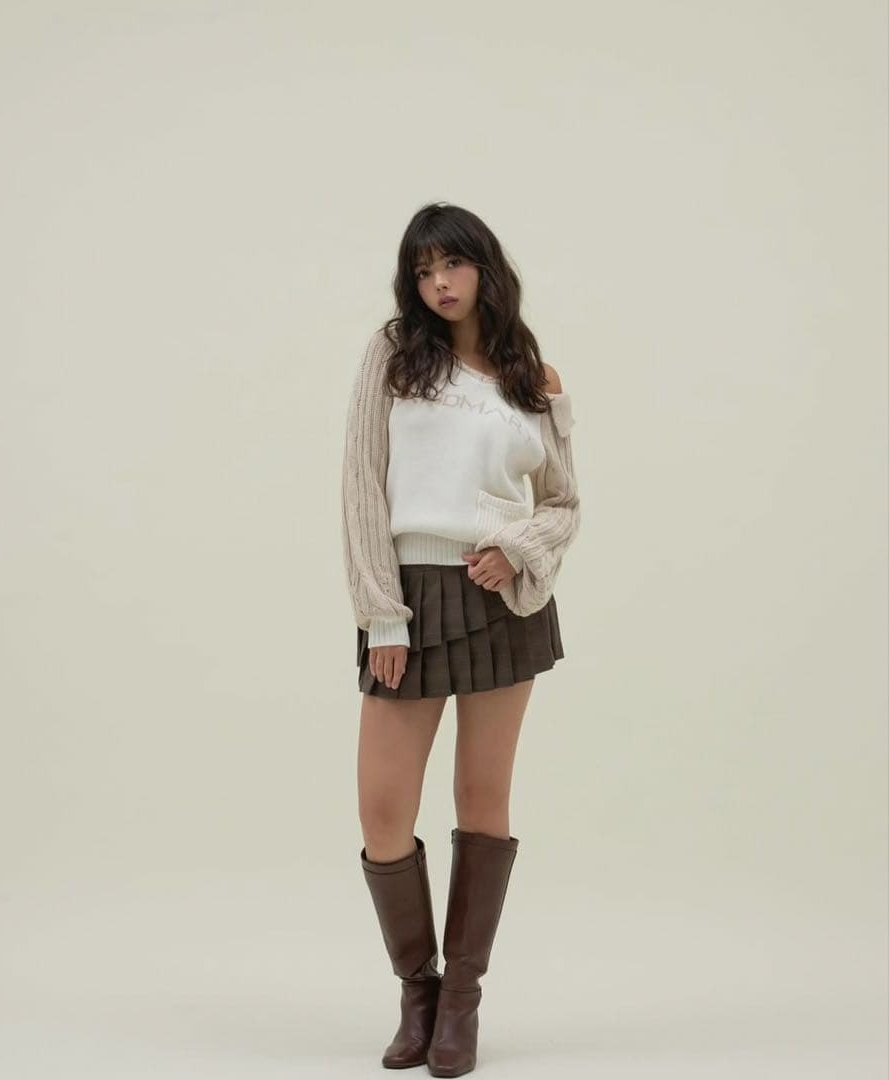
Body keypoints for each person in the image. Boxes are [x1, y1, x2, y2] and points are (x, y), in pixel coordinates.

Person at [340, 202, 581, 1076]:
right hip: (407, 599)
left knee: (482, 801)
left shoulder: (532, 378)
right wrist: (382, 614)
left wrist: (515, 549)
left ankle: (461, 1005)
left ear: (485, 267)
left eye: (452, 264)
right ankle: (418, 990)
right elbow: (362, 486)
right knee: (382, 812)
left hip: (501, 603)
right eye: (422, 270)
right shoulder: (394, 356)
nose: (438, 283)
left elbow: (561, 505)